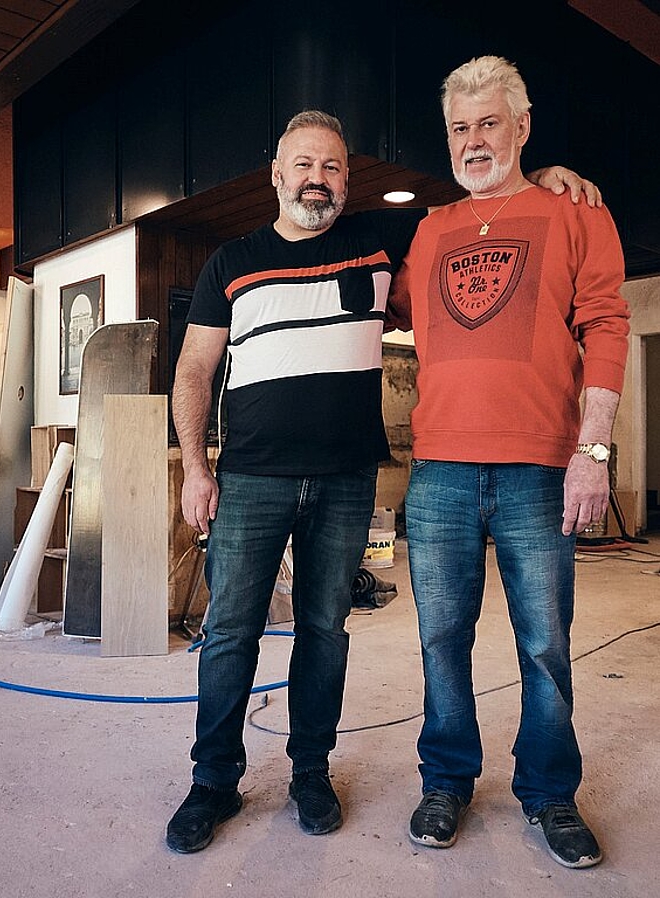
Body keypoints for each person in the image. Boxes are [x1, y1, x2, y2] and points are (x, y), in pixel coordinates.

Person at [166, 108, 600, 855]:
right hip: (251, 480)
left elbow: (483, 203)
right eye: (303, 165)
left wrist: (549, 178)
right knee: (231, 632)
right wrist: (195, 467)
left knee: (325, 633)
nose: (318, 180)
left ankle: (309, 771)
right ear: (276, 174)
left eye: (333, 168)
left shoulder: (381, 239)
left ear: (347, 180)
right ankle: (212, 780)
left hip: (344, 481)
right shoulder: (229, 261)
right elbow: (194, 371)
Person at [387, 56, 630, 869]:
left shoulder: (574, 212)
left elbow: (605, 326)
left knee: (544, 644)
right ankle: (448, 778)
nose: (473, 141)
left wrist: (591, 450)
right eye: (459, 128)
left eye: (489, 123)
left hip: (538, 469)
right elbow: (375, 300)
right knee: (440, 640)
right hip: (440, 471)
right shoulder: (429, 233)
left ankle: (550, 794)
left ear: (522, 128)